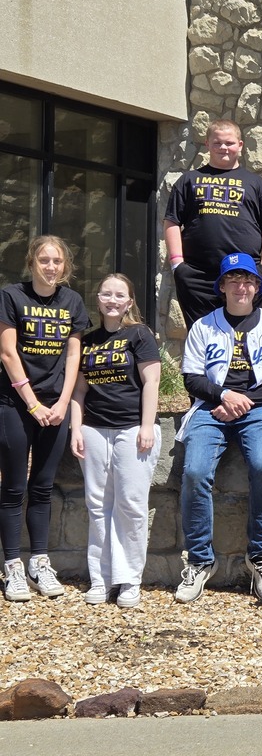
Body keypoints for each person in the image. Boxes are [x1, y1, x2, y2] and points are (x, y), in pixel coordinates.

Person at [175, 253, 262, 603]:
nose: (241, 286)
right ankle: (200, 561)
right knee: (194, 471)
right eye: (234, 280)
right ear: (222, 286)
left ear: (257, 287)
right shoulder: (204, 325)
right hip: (210, 408)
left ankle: (259, 555)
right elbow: (191, 379)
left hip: (257, 409)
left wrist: (244, 401)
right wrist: (225, 395)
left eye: (248, 280)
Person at [0, 235, 89, 601]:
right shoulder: (11, 296)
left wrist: (63, 402)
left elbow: (73, 358)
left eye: (57, 261)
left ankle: (39, 560)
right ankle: (12, 568)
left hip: (56, 406)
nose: (51, 267)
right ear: (31, 262)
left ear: (65, 266)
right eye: (44, 260)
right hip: (16, 403)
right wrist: (33, 403)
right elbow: (7, 353)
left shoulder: (72, 301)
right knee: (13, 488)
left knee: (43, 487)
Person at [70, 274, 161, 608]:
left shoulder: (139, 334)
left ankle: (128, 580)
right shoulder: (89, 340)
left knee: (131, 504)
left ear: (129, 301)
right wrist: (75, 428)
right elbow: (79, 390)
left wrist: (147, 426)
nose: (112, 299)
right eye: (106, 293)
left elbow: (151, 382)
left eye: (119, 294)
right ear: (98, 299)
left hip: (131, 429)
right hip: (93, 430)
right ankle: (100, 578)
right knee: (97, 505)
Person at [164, 119, 262, 329]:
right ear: (207, 144)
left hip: (245, 277)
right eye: (217, 143)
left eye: (229, 143)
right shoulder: (189, 180)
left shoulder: (255, 183)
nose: (223, 148)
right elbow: (172, 222)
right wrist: (177, 265)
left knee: (244, 338)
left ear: (240, 145)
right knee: (202, 337)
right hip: (198, 277)